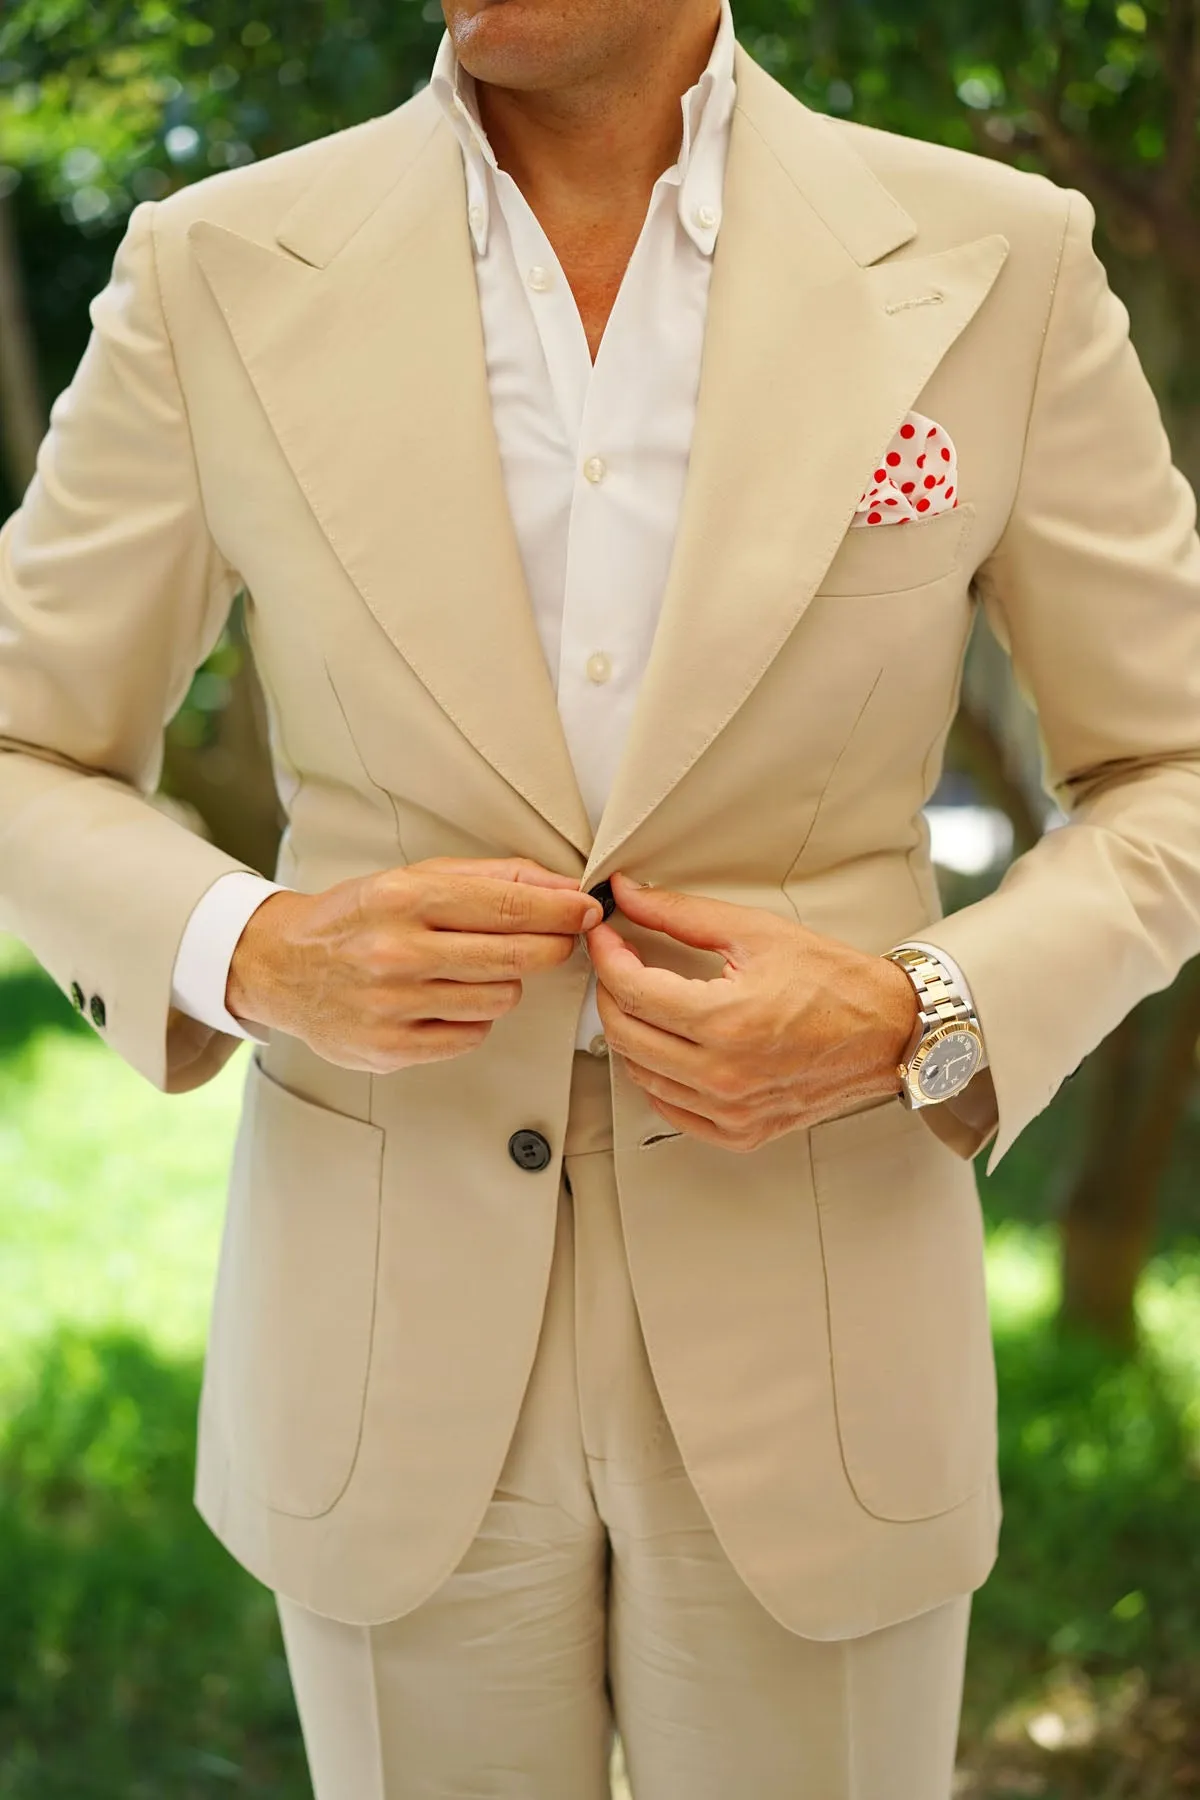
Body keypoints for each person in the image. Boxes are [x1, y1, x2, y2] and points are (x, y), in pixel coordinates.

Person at [2, 0, 1199, 1793]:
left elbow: (1169, 764)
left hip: (828, 1317)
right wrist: (244, 949)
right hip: (382, 1335)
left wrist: (920, 1010)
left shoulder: (994, 260)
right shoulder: (216, 267)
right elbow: (27, 740)